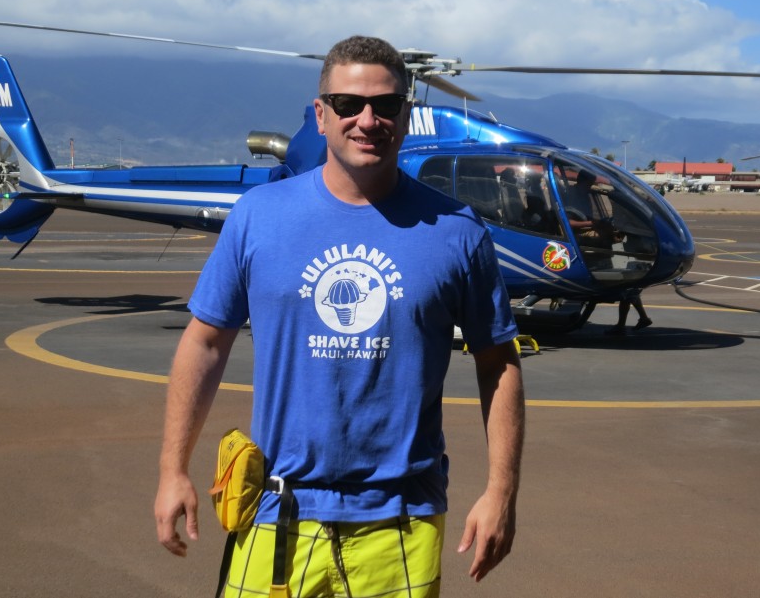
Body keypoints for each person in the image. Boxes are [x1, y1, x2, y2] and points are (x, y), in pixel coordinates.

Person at [154, 35, 525, 597]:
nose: (368, 120)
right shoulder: (258, 217)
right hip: (276, 512)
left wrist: (502, 493)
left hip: (403, 517)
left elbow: (499, 364)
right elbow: (205, 344)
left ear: (408, 115)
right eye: (349, 105)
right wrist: (172, 469)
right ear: (321, 115)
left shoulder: (457, 231)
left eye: (387, 105)